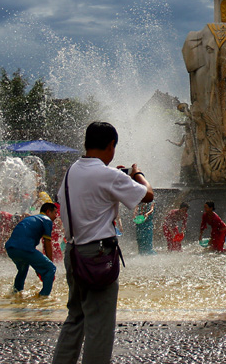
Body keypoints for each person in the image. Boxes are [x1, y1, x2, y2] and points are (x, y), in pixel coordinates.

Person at [52, 121, 153, 364]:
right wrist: (137, 173)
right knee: (100, 327)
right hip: (97, 256)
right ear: (111, 146)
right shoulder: (106, 174)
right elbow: (147, 195)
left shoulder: (71, 171)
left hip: (73, 251)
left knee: (75, 318)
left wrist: (115, 177)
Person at [4, 202, 58, 296]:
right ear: (48, 212)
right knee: (50, 268)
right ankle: (44, 297)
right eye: (55, 213)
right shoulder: (46, 220)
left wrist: (38, 265)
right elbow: (47, 242)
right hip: (24, 249)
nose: (56, 216)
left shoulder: (31, 218)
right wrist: (49, 262)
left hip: (11, 248)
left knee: (23, 269)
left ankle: (16, 293)